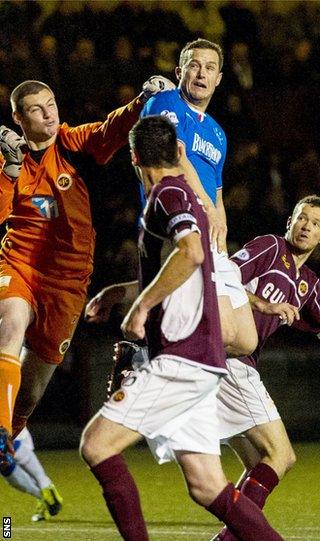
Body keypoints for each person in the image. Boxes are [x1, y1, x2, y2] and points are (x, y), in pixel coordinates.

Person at [80, 115, 283, 541]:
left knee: (96, 445)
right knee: (207, 486)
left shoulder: (168, 193)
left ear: (133, 157)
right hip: (203, 363)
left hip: (181, 359)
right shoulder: (191, 195)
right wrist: (123, 291)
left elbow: (189, 253)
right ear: (178, 152)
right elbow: (186, 266)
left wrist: (141, 306)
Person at [0, 75, 174, 460]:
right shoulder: (6, 158)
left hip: (68, 282)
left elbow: (109, 131)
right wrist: (10, 172)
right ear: (17, 117)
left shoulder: (70, 142)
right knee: (10, 328)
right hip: (20, 264)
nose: (48, 115)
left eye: (51, 105)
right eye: (35, 109)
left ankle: (9, 431)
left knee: (29, 393)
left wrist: (142, 98)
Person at [211, 194, 320, 541]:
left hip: (230, 367)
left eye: (316, 224)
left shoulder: (309, 285)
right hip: (230, 361)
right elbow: (220, 279)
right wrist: (265, 304)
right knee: (281, 455)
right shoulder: (270, 248)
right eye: (302, 218)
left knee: (260, 462)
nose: (307, 226)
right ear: (289, 221)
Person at [140, 38, 258, 357]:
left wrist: (222, 225)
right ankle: (144, 359)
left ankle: (155, 353)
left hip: (208, 228)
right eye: (194, 65)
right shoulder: (166, 102)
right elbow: (176, 157)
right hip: (177, 225)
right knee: (215, 328)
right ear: (180, 71)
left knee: (244, 338)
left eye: (209, 68)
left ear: (219, 78)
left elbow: (217, 190)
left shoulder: (218, 132)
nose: (201, 73)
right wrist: (207, 207)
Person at [0, 427, 63, 522]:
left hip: (13, 427)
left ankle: (45, 485)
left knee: (6, 442)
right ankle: (43, 497)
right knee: (5, 468)